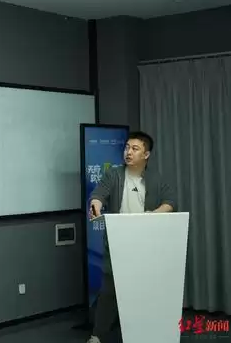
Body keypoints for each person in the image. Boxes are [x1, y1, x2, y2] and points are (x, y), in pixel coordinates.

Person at [86, 131, 176, 343]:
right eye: (127, 147)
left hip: (146, 243)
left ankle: (144, 332)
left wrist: (153, 214)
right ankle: (97, 336)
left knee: (145, 290)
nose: (128, 152)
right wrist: (95, 206)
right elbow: (98, 195)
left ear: (146, 154)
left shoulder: (156, 178)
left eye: (135, 149)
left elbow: (170, 202)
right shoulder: (114, 174)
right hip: (117, 242)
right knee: (109, 291)